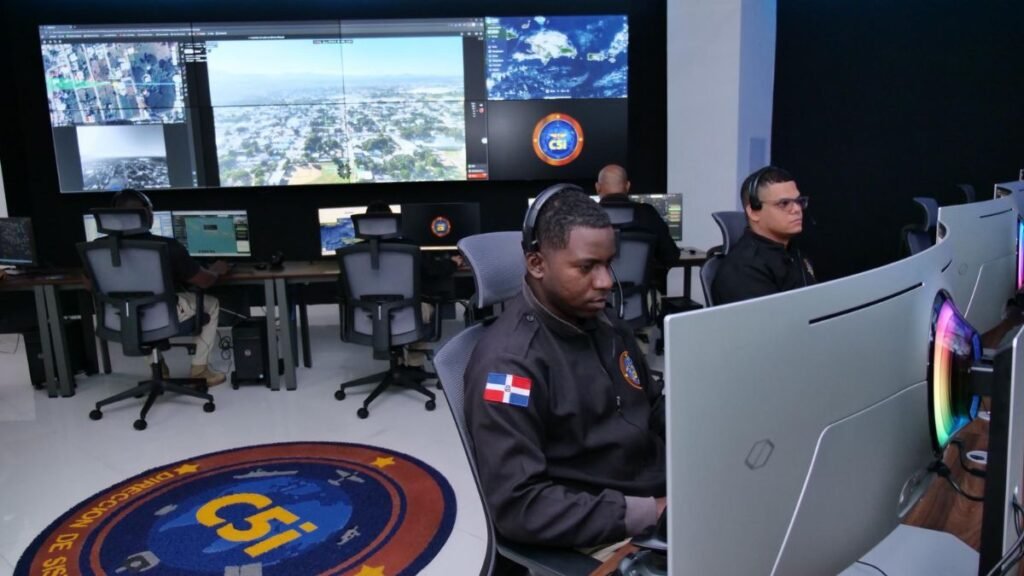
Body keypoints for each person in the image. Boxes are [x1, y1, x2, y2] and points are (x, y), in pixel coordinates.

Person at [464, 186, 666, 551]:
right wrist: (651, 512)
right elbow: (520, 506)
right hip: (605, 525)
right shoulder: (509, 367)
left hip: (655, 483)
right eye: (586, 267)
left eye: (608, 263)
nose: (606, 282)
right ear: (537, 264)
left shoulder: (604, 321)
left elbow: (649, 404)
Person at [107, 189, 228, 385]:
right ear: (147, 214)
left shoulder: (100, 248)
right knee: (212, 304)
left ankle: (159, 370)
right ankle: (200, 370)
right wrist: (216, 270)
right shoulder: (166, 246)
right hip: (163, 315)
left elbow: (90, 284)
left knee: (138, 309)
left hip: (121, 317)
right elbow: (203, 281)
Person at [712, 166, 816, 304]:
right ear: (754, 212)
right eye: (784, 203)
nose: (797, 209)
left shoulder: (794, 251)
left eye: (799, 201)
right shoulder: (744, 270)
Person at [595, 164, 681, 294]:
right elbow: (671, 256)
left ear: (598, 187)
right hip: (641, 298)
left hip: (595, 298)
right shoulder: (648, 214)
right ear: (627, 186)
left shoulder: (585, 216)